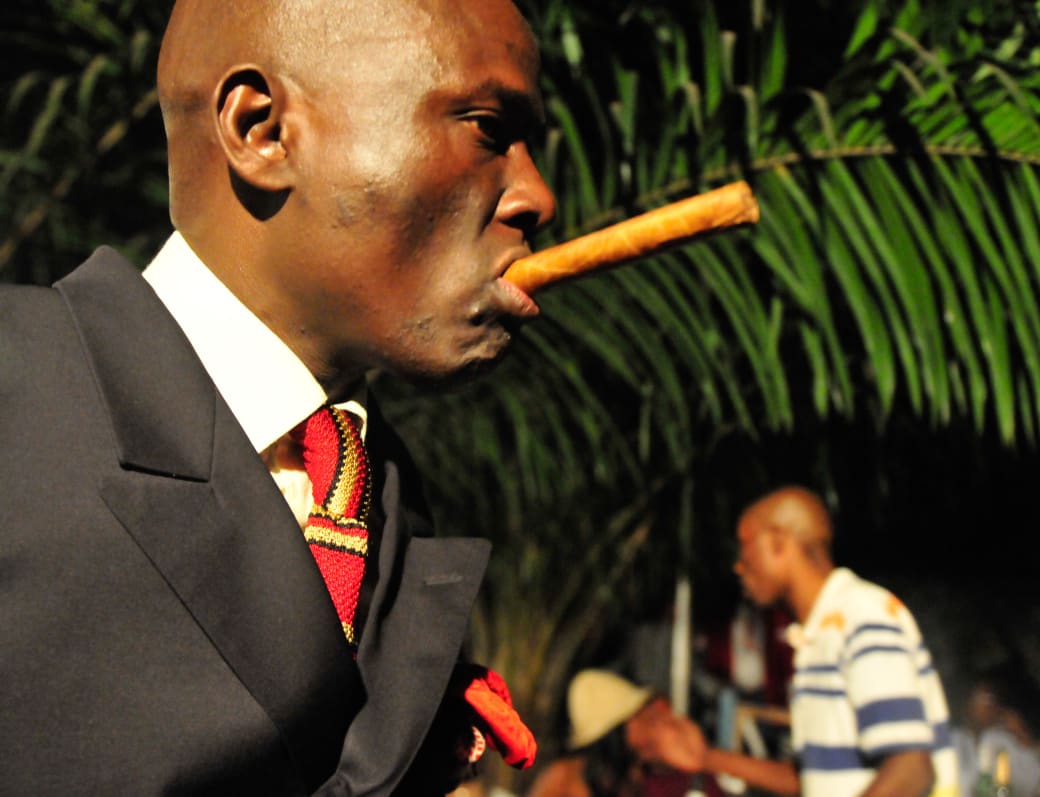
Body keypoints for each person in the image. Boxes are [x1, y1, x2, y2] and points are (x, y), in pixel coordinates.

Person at [0, 0, 555, 794]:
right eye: (485, 128)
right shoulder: (16, 394)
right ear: (262, 129)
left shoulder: (387, 507)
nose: (535, 196)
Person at [669, 486, 959, 796]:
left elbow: (910, 768)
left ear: (779, 542)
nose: (739, 565)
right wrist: (705, 758)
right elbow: (810, 779)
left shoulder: (861, 616)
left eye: (745, 546)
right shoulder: (814, 638)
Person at [525, 670, 724, 797]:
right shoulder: (566, 777)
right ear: (613, 734)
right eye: (636, 715)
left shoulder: (657, 766)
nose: (647, 720)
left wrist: (703, 758)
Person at [951, 664, 1040, 797]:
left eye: (992, 699)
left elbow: (1036, 778)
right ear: (966, 703)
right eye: (982, 699)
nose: (988, 705)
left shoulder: (1003, 740)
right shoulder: (953, 740)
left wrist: (1021, 734)